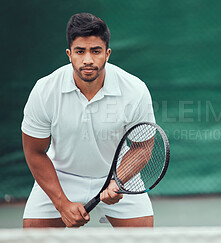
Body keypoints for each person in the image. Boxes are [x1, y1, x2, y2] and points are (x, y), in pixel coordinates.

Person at [21, 13, 155, 228]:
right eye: (80, 51)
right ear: (69, 54)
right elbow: (34, 151)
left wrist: (117, 182)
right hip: (61, 176)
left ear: (107, 54)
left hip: (117, 175)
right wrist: (61, 203)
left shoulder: (134, 89)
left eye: (96, 51)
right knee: (31, 237)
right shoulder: (44, 90)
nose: (88, 60)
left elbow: (143, 146)